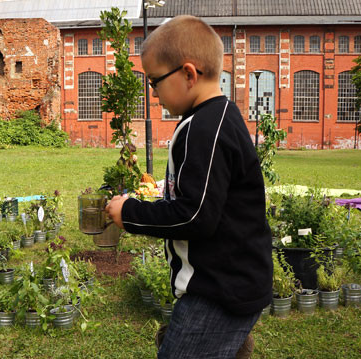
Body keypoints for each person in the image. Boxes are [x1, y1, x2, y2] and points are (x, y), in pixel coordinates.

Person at [104, 15, 272, 359]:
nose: (153, 93)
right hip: (229, 280)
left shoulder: (203, 128)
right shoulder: (217, 116)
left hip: (218, 291)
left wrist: (130, 213)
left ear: (188, 74)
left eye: (155, 82)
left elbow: (195, 215)